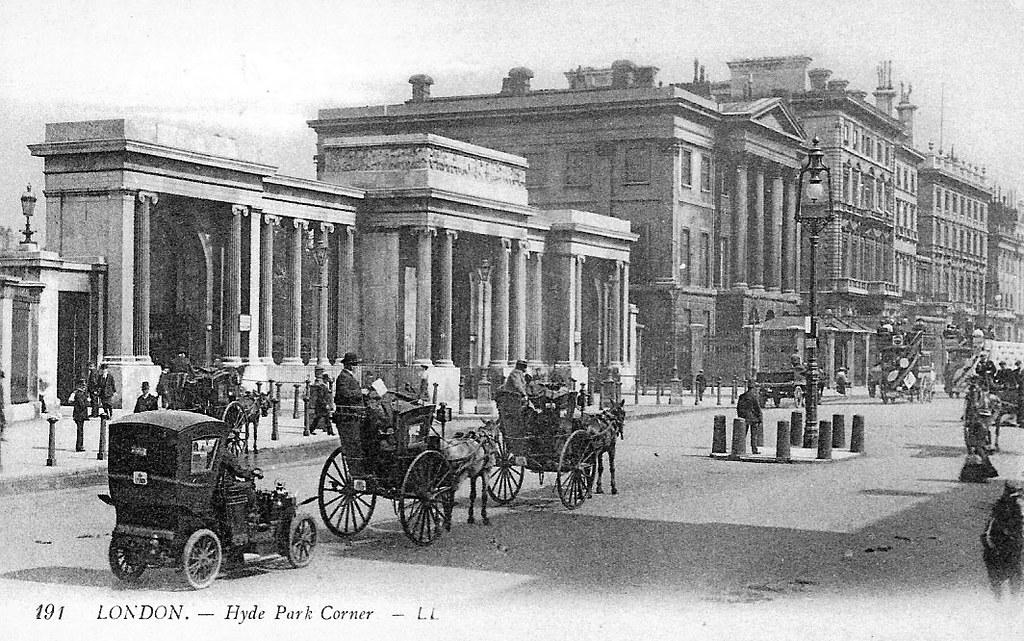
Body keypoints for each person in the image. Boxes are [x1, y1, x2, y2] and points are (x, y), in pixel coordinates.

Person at [981, 481, 1023, 600]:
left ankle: (1006, 600)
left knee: (1012, 573)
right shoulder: (1005, 507)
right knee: (1010, 573)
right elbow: (988, 533)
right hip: (1002, 544)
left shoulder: (1011, 506)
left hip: (1008, 544)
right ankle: (1001, 600)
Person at [736, 379, 762, 454]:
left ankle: (740, 448)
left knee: (743, 434)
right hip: (754, 418)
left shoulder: (742, 396)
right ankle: (754, 450)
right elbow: (757, 408)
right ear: (753, 387)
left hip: (744, 418)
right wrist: (760, 417)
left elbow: (738, 408)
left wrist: (740, 416)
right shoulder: (754, 397)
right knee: (754, 436)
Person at [308, 366, 334, 435]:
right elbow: (321, 397)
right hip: (322, 405)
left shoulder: (324, 386)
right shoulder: (322, 386)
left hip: (322, 405)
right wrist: (326, 405)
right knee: (321, 418)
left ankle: (329, 431)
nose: (327, 381)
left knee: (324, 418)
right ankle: (328, 431)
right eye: (326, 379)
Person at [67, 378, 89, 452]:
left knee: (80, 430)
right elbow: (82, 404)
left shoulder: (79, 393)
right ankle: (79, 446)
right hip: (79, 415)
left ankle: (80, 445)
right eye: (83, 385)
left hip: (79, 415)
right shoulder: (79, 394)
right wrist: (87, 402)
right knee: (80, 431)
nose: (84, 387)